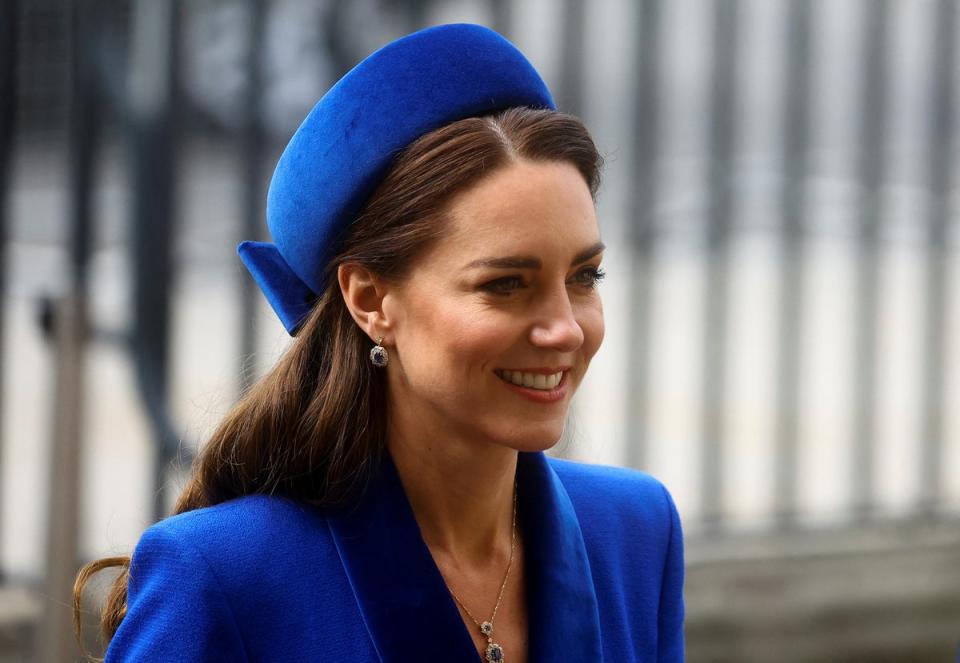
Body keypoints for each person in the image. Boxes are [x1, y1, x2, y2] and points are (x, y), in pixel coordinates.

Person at [74, 23, 684, 663]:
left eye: (584, 276)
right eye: (505, 284)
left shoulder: (636, 534)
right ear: (368, 299)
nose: (563, 328)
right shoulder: (224, 575)